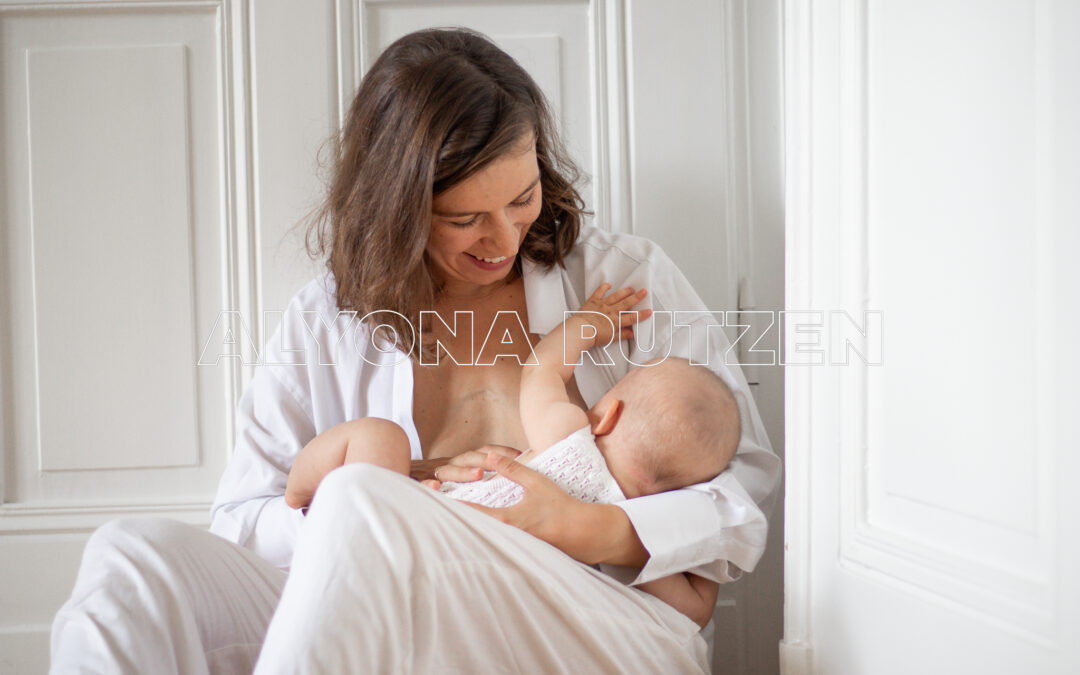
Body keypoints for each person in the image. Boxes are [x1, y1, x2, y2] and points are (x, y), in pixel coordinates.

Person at [49, 27, 781, 674]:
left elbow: (739, 481)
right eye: (465, 219)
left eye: (522, 198)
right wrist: (387, 504)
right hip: (386, 597)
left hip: (594, 614)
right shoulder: (330, 317)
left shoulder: (622, 282)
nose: (505, 239)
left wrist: (591, 525)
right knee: (130, 558)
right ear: (397, 208)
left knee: (362, 497)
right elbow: (243, 519)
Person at [282, 283, 743, 629]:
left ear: (608, 414)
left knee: (381, 438)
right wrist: (706, 552)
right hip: (452, 585)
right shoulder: (633, 528)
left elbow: (541, 368)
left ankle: (303, 493)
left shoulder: (571, 438)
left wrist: (588, 324)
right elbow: (692, 612)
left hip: (418, 524)